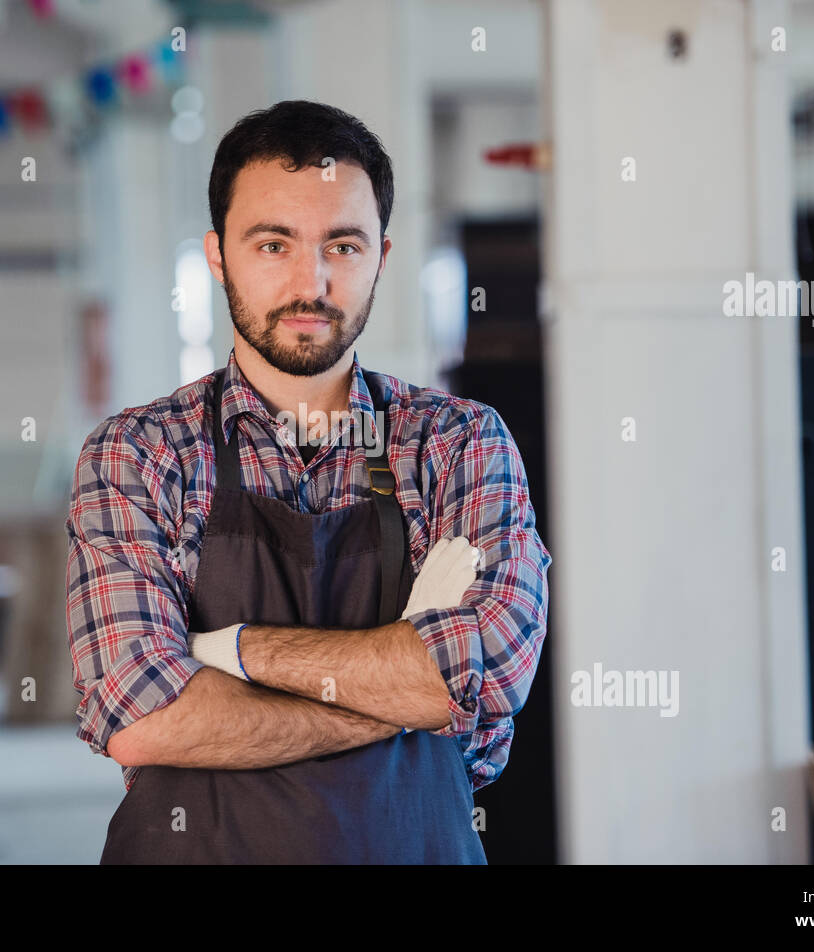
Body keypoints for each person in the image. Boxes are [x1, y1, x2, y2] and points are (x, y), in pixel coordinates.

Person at [66, 100, 551, 864]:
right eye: (273, 244)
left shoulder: (457, 442)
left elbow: (482, 672)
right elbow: (141, 710)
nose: (311, 281)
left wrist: (229, 650)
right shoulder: (139, 454)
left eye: (343, 245)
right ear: (218, 255)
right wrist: (399, 697)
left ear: (382, 258)